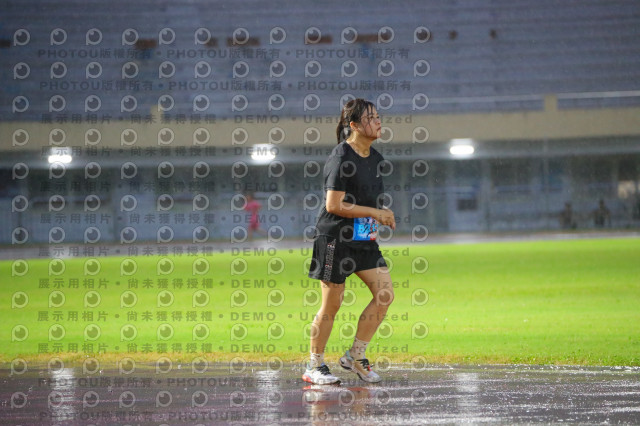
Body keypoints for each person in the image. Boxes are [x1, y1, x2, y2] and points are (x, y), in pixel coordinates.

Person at [302, 99, 396, 385]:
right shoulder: (341, 157)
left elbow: (365, 200)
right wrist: (375, 213)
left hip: (363, 238)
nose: (378, 121)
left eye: (378, 116)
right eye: (371, 118)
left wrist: (379, 213)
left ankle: (355, 356)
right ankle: (314, 366)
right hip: (335, 238)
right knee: (332, 304)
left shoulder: (375, 158)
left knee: (384, 294)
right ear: (353, 125)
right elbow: (334, 204)